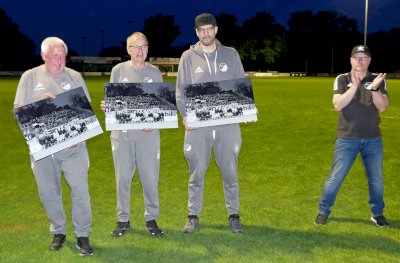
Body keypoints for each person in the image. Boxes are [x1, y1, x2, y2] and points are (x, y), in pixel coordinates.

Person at [13, 37, 94, 256]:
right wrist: (41, 102)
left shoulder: (75, 76)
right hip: (43, 149)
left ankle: (82, 234)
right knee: (49, 192)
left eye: (62, 55)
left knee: (80, 190)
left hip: (73, 147)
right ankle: (58, 231)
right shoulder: (30, 77)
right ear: (43, 56)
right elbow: (19, 111)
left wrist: (80, 133)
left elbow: (86, 110)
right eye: (54, 55)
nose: (59, 60)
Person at [176, 13, 246, 234]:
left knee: (230, 172)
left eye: (209, 29)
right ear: (196, 32)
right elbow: (180, 92)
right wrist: (185, 116)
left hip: (227, 125)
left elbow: (241, 86)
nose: (205, 33)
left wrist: (246, 109)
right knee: (196, 173)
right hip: (198, 126)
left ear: (216, 30)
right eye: (201, 30)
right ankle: (192, 216)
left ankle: (233, 215)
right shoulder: (188, 57)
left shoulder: (231, 54)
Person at [315, 45, 389, 227]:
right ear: (351, 60)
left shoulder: (377, 80)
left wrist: (374, 89)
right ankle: (323, 211)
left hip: (373, 139)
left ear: (369, 60)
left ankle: (377, 213)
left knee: (376, 180)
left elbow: (382, 107)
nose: (360, 60)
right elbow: (338, 104)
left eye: (364, 57)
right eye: (357, 57)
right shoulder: (342, 79)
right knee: (335, 177)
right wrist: (355, 86)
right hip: (347, 138)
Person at [100, 32, 164, 237]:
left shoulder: (155, 73)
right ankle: (123, 219)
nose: (139, 51)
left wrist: (154, 123)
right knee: (123, 179)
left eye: (143, 46)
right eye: (135, 47)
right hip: (123, 136)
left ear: (148, 48)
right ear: (128, 50)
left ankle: (151, 218)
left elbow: (162, 106)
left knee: (150, 178)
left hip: (149, 136)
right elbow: (114, 103)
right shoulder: (118, 71)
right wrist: (107, 106)